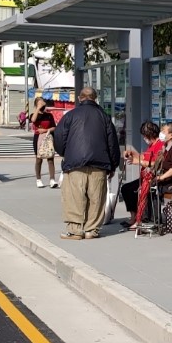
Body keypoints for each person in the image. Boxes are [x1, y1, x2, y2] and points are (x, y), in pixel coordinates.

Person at [52, 87, 121, 240]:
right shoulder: (104, 117)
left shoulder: (70, 115)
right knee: (96, 198)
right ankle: (92, 230)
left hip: (74, 164)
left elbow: (58, 137)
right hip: (99, 164)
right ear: (95, 98)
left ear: (79, 98)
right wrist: (113, 165)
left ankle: (75, 230)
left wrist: (66, 153)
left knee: (74, 197)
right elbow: (112, 143)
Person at [121, 121, 164, 226]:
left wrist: (139, 161)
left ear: (150, 134)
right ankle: (134, 216)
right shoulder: (151, 145)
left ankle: (138, 218)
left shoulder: (160, 145)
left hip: (152, 177)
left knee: (132, 190)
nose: (144, 138)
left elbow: (156, 163)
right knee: (126, 188)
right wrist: (132, 153)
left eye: (144, 136)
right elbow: (144, 156)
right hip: (144, 177)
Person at [30, 98, 58, 188]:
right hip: (38, 138)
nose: (42, 105)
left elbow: (54, 127)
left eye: (43, 103)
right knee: (39, 159)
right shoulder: (33, 115)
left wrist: (45, 130)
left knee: (50, 158)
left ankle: (52, 180)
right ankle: (38, 179)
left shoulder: (49, 115)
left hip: (48, 137)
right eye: (39, 103)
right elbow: (33, 120)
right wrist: (38, 108)